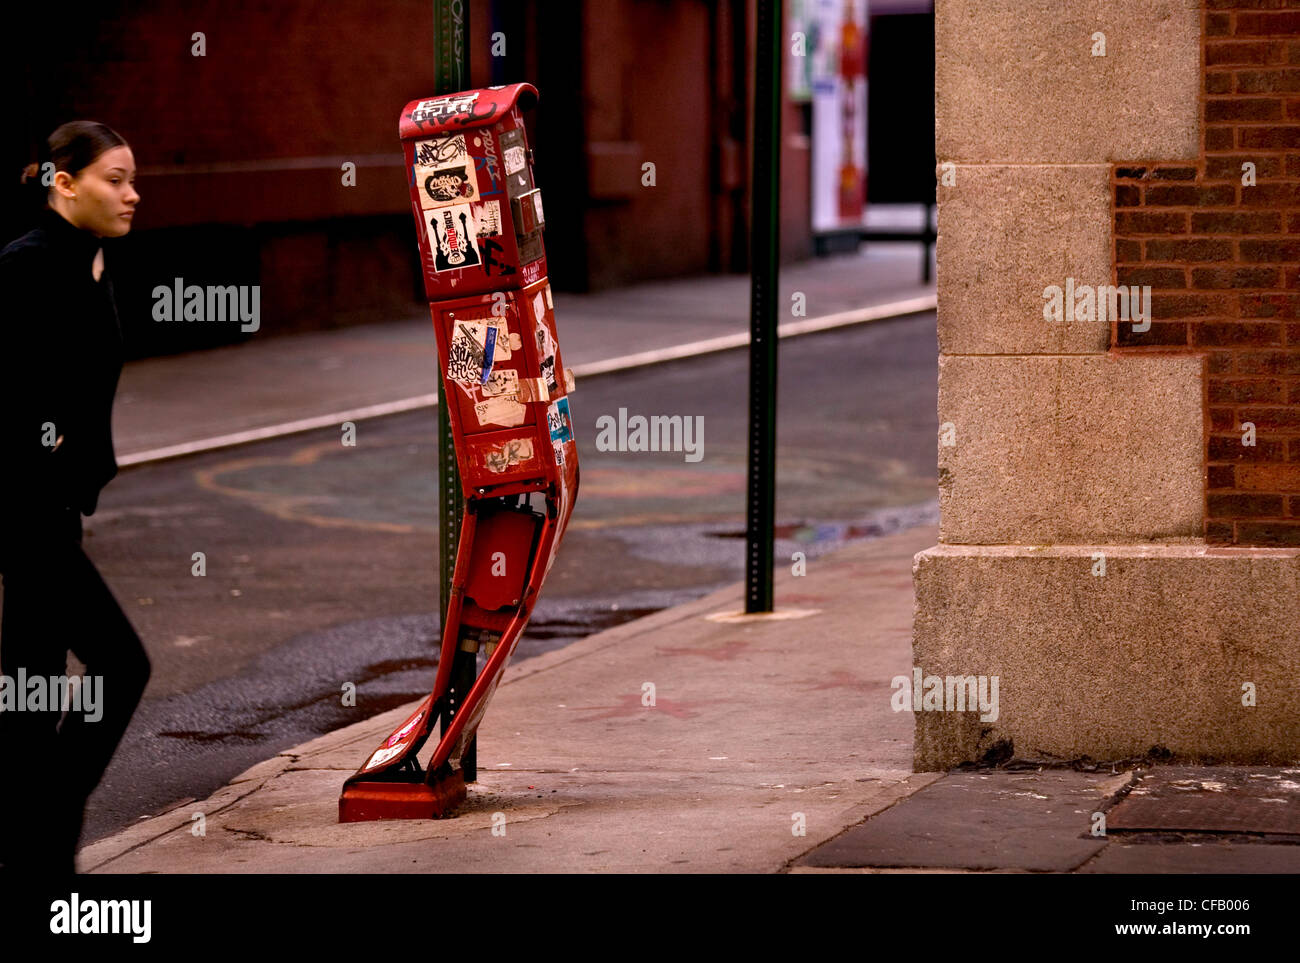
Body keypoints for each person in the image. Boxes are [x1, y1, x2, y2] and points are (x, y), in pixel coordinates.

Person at [0, 121, 150, 873]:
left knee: (27, 695)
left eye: (131, 179)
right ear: (66, 183)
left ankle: (36, 864)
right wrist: (46, 448)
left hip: (56, 511)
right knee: (123, 666)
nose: (132, 194)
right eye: (115, 179)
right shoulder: (27, 268)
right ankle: (40, 834)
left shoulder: (91, 262)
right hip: (24, 514)